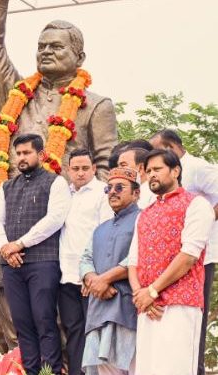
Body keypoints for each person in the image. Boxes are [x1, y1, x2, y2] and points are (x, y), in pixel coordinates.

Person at [0, 0, 118, 178]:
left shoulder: (97, 106)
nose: (46, 51)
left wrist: (88, 203)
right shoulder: (16, 95)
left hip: (66, 202)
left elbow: (107, 166)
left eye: (56, 47)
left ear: (79, 58)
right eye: (41, 47)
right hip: (10, 199)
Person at [0, 134, 71, 374]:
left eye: (27, 153)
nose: (22, 158)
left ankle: (51, 371)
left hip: (43, 262)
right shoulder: (7, 186)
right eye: (19, 154)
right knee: (22, 323)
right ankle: (31, 371)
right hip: (12, 264)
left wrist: (20, 244)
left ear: (41, 155)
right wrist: (7, 248)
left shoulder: (55, 182)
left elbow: (54, 219)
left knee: (45, 320)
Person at [128, 150, 214, 375]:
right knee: (146, 370)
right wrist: (142, 297)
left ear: (176, 171)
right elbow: (132, 262)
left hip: (180, 305)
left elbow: (189, 256)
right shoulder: (144, 214)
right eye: (148, 172)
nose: (152, 175)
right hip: (148, 308)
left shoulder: (197, 205)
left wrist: (153, 291)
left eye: (157, 169)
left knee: (174, 369)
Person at [150, 129, 218, 375]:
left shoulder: (198, 167)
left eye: (157, 151)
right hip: (167, 262)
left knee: (193, 328)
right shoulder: (159, 176)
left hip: (198, 257)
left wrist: (204, 221)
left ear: (170, 148)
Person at [79, 167, 141, 374]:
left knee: (133, 367)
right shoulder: (100, 228)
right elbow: (86, 258)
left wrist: (104, 279)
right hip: (99, 309)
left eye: (119, 187)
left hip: (126, 308)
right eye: (109, 188)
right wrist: (93, 280)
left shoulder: (143, 220)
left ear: (136, 193)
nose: (112, 192)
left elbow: (139, 256)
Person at [59, 149, 112, 375]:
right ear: (68, 170)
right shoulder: (63, 194)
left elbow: (105, 233)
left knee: (94, 331)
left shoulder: (103, 192)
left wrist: (94, 274)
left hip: (91, 276)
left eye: (85, 168)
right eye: (75, 169)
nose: (80, 173)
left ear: (94, 169)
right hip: (65, 275)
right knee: (73, 329)